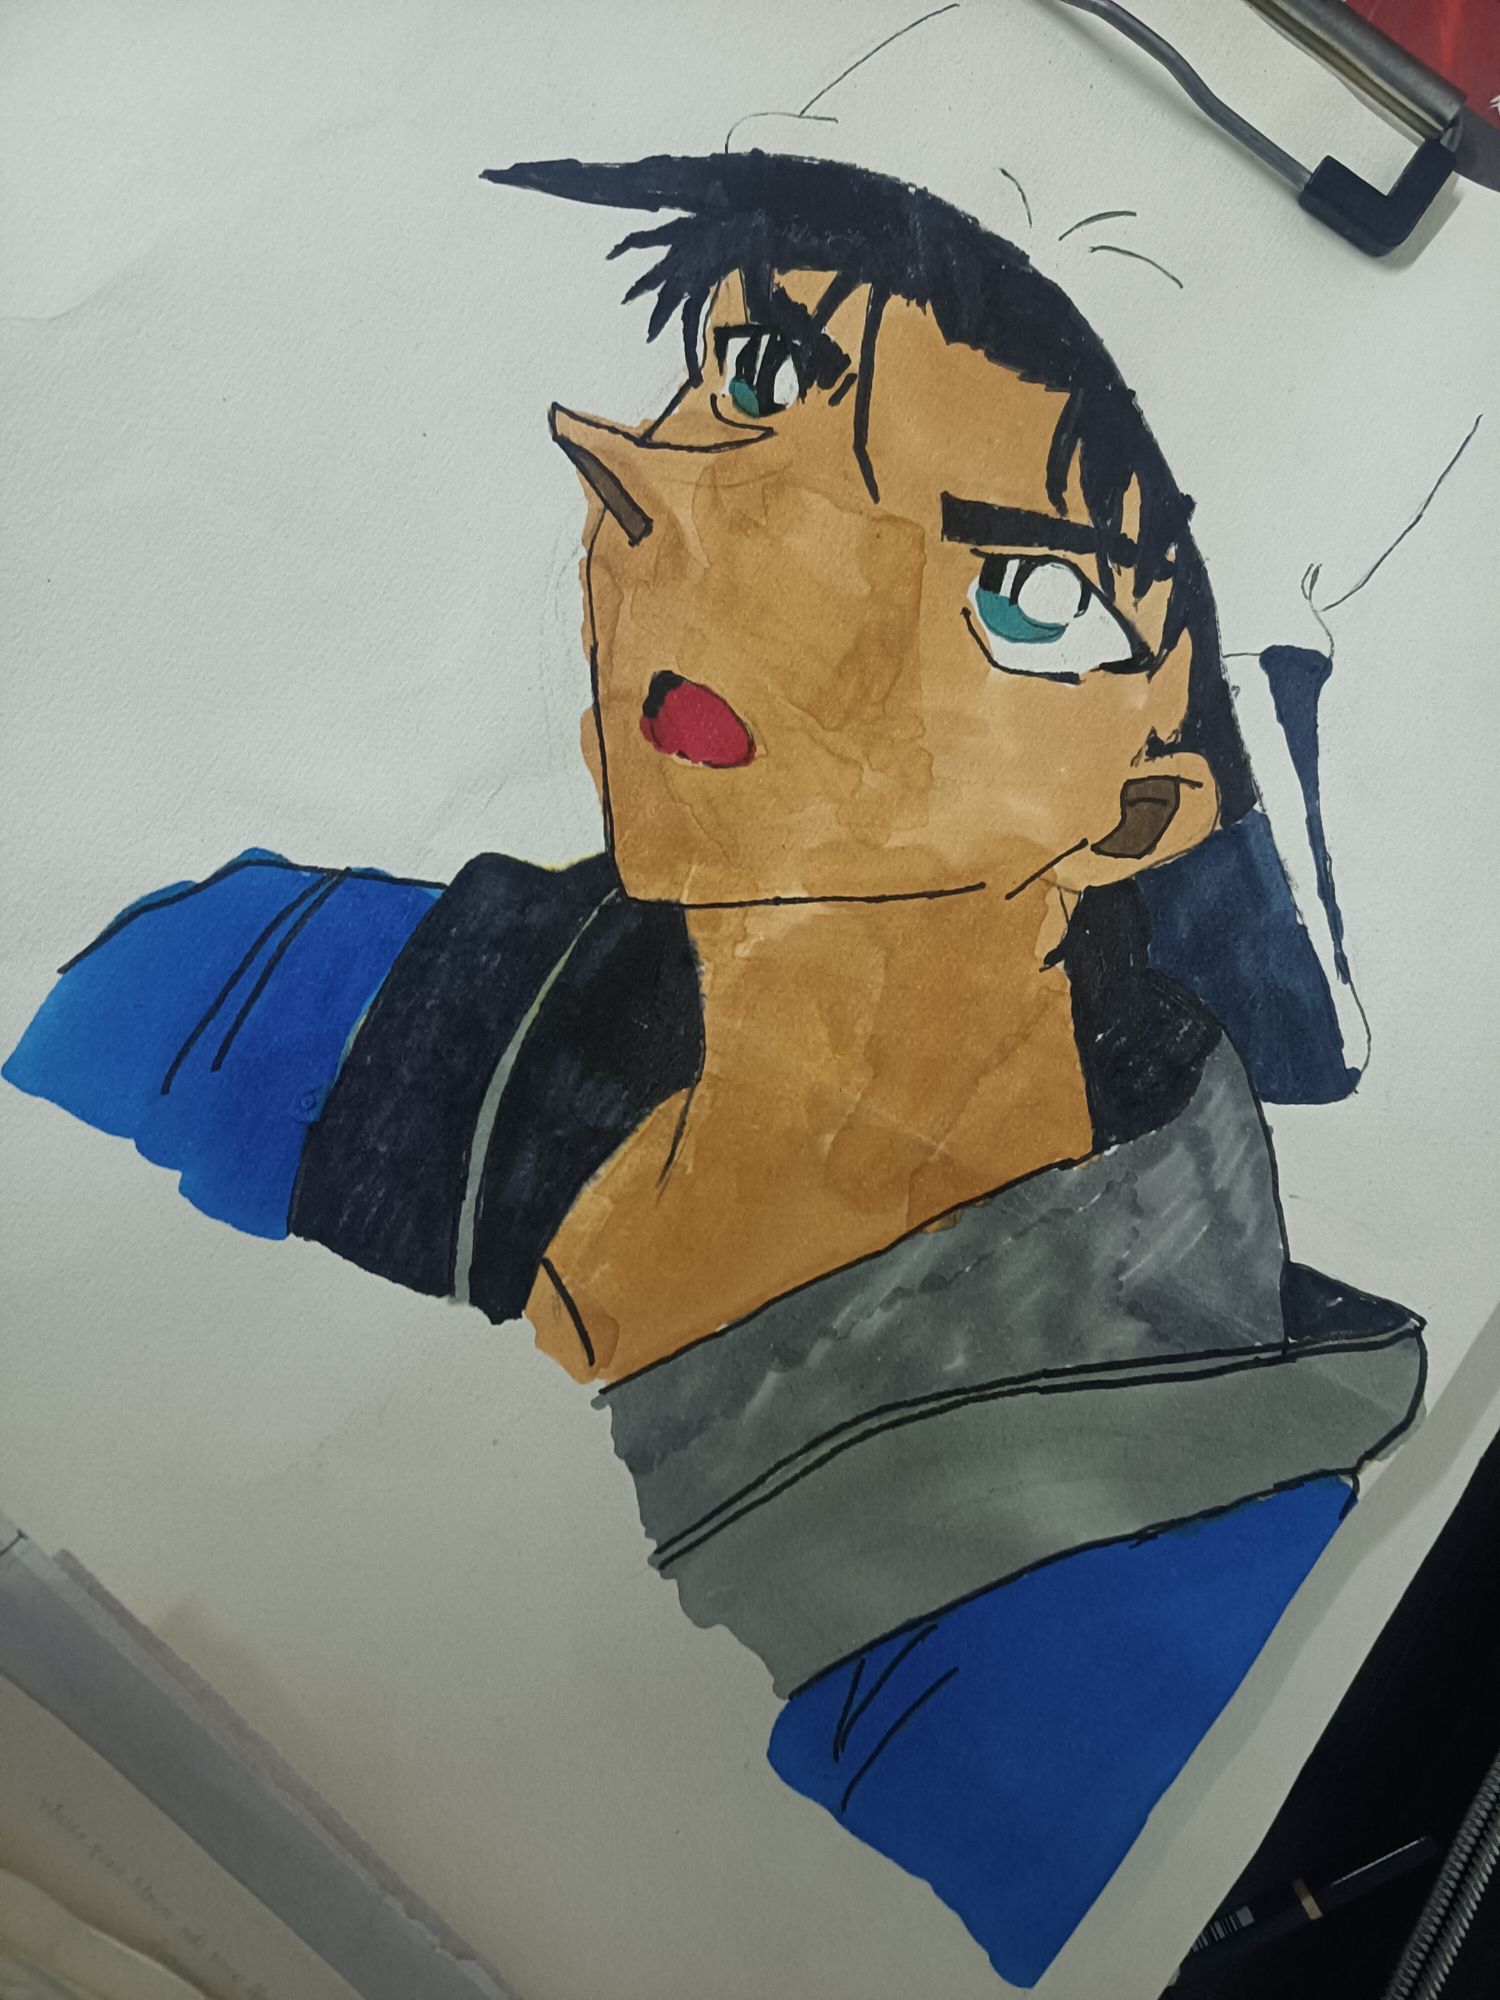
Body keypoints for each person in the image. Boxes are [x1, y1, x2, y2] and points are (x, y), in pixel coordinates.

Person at [4, 153, 1425, 1984]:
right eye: (758, 373)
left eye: (1024, 588)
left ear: (1150, 801)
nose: (739, 542)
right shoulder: (278, 988)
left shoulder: (1169, 1575)